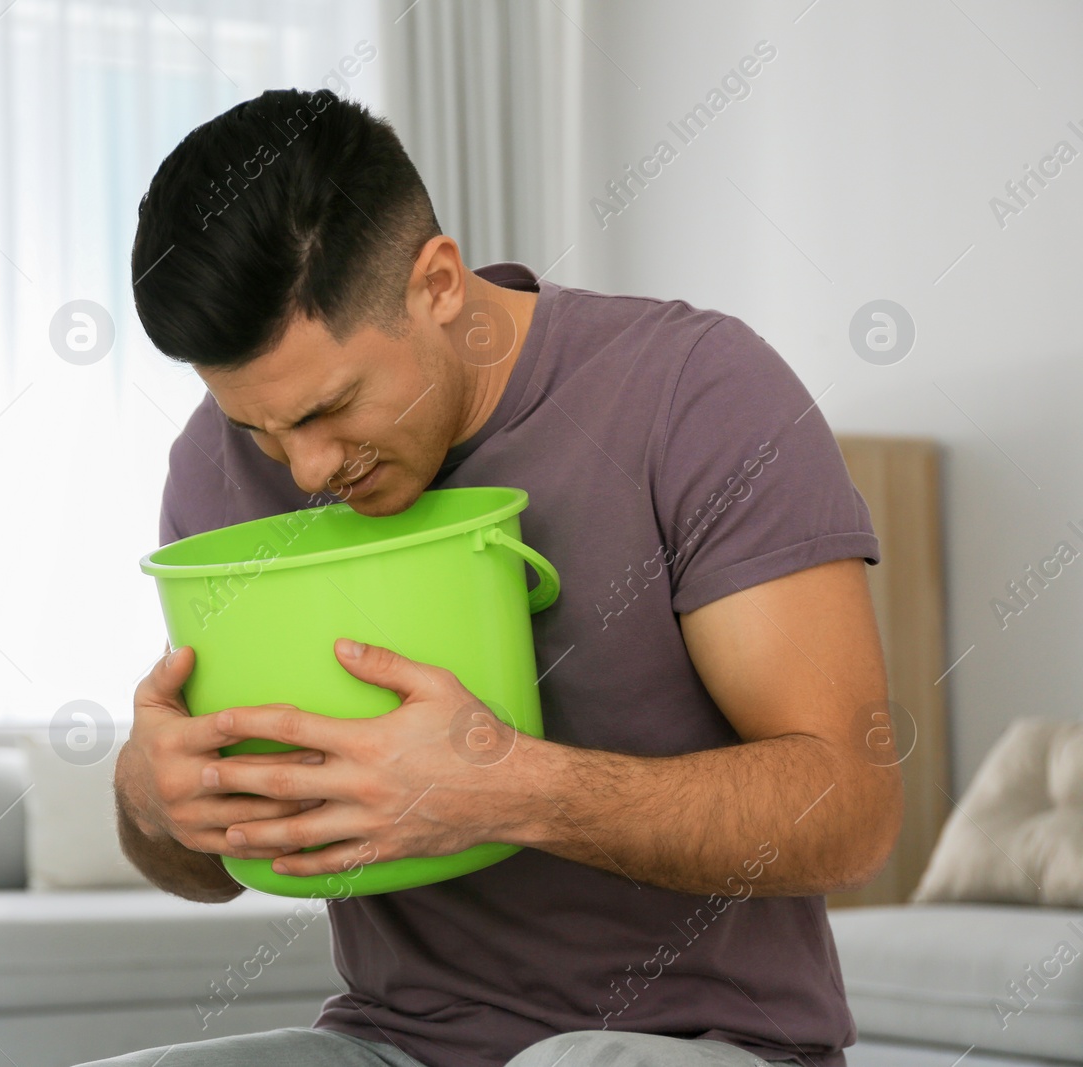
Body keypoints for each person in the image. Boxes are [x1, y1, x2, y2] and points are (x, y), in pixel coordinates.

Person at [100, 87, 901, 1067]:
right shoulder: (214, 468)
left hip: (703, 1041)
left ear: (438, 282)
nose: (304, 470)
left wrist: (508, 786)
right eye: (257, 425)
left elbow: (852, 810)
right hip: (394, 1040)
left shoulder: (694, 392)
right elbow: (211, 870)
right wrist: (153, 798)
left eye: (330, 408)